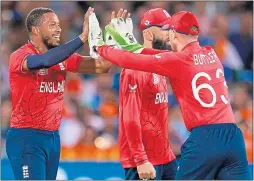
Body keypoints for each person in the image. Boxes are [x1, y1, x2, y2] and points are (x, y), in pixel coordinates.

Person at [94, 11, 251, 180]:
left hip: (205, 139)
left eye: (169, 34)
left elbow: (132, 61)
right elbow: (158, 56)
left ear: (174, 34)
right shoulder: (210, 53)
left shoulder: (178, 61)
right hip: (234, 138)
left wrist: (101, 47)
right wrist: (129, 43)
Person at [6, 7, 111, 180]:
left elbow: (102, 66)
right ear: (36, 30)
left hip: (52, 138)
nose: (59, 29)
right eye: (52, 24)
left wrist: (113, 40)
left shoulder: (62, 57)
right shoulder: (20, 56)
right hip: (26, 137)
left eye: (59, 25)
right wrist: (82, 37)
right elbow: (45, 61)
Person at [114, 8, 177, 180]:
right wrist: (141, 160)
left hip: (166, 159)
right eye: (164, 29)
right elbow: (130, 118)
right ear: (148, 34)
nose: (170, 33)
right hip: (143, 163)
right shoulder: (134, 68)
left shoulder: (159, 64)